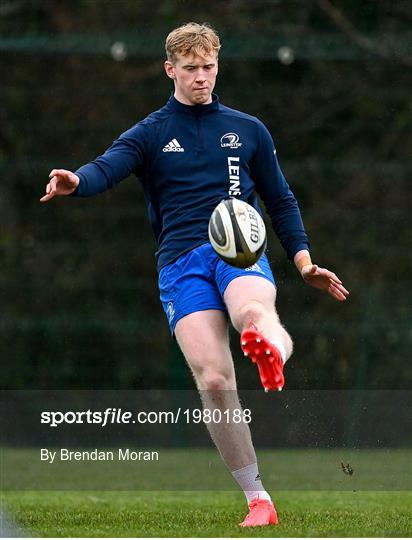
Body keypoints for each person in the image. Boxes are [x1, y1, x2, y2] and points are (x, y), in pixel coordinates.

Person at [40, 22, 349, 527]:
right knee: (212, 376)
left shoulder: (248, 129)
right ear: (171, 70)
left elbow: (280, 198)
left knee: (254, 313)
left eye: (208, 67)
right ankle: (258, 499)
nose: (201, 77)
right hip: (180, 263)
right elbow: (107, 166)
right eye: (190, 69)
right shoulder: (151, 132)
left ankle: (269, 351)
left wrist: (304, 261)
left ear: (217, 65)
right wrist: (77, 181)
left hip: (239, 250)